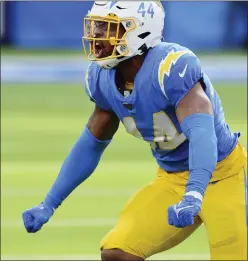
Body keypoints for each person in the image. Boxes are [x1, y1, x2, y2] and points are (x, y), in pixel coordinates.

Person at [22, 1, 247, 260]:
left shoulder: (170, 67)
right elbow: (91, 143)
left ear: (139, 31)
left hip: (225, 176)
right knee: (118, 251)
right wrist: (49, 203)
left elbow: (201, 134)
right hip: (173, 179)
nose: (95, 34)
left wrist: (195, 192)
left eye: (108, 27)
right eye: (96, 25)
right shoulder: (102, 78)